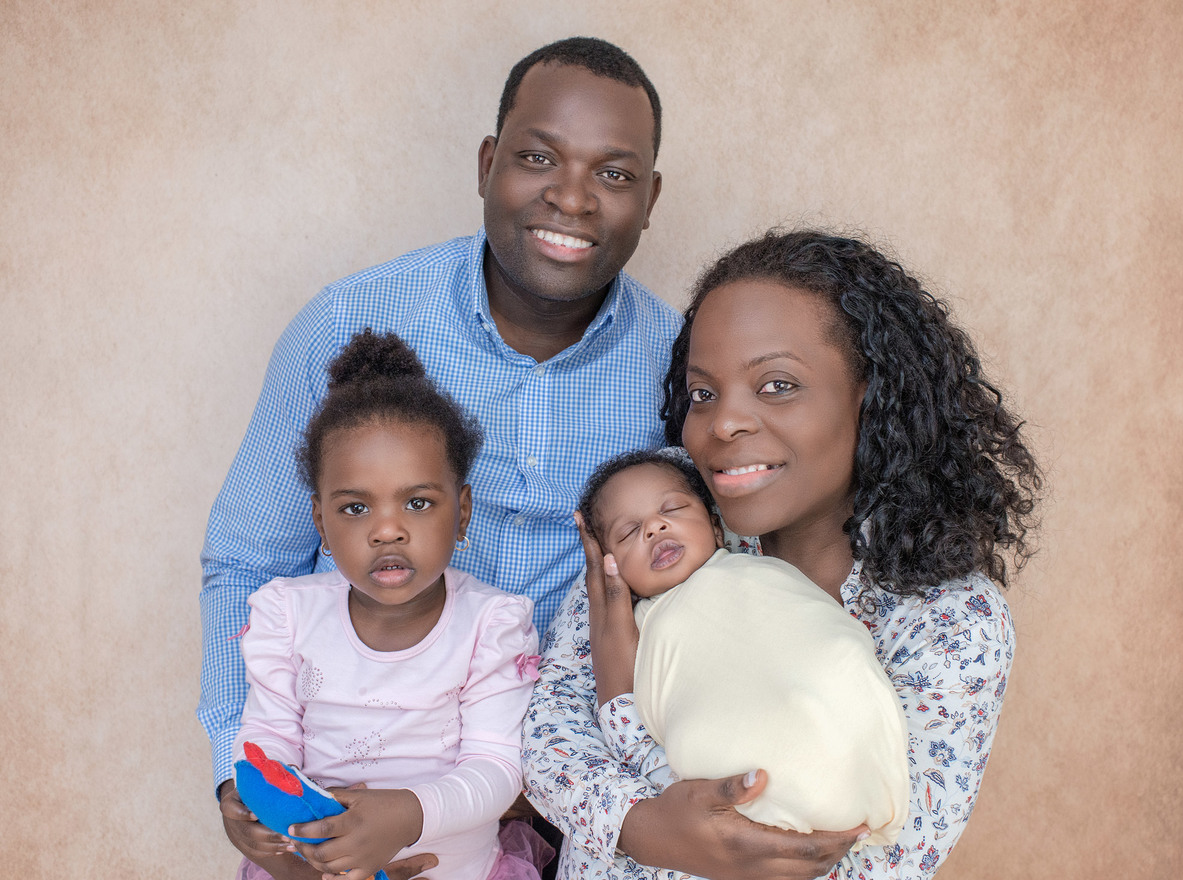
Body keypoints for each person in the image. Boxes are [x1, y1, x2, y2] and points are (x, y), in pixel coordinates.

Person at [199, 37, 680, 876]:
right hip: (335, 808)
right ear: (489, 164)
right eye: (538, 157)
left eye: (613, 173)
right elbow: (246, 559)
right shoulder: (346, 321)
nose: (572, 197)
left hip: (582, 812)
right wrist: (244, 782)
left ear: (650, 200)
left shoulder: (680, 369)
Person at [523, 229, 1042, 880]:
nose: (723, 423)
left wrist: (632, 742)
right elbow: (549, 740)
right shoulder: (667, 507)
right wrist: (641, 825)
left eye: (776, 385)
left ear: (870, 393)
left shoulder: (949, 618)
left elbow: (886, 860)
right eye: (703, 393)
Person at [232, 329, 549, 880]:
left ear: (462, 511)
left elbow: (497, 769)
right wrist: (274, 815)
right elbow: (267, 741)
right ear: (320, 522)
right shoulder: (288, 616)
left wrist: (406, 816)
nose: (387, 530)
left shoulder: (491, 625)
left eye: (418, 502)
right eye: (355, 508)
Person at [574, 448, 910, 846]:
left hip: (829, 731)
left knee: (840, 658)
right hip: (734, 787)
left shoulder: (758, 570)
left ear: (716, 528)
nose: (654, 528)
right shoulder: (629, 628)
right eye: (629, 532)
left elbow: (818, 630)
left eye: (673, 509)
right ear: (610, 567)